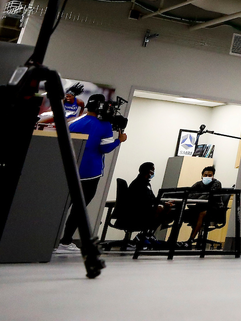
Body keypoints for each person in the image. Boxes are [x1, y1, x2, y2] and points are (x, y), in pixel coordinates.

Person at [54, 93, 126, 253]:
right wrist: (119, 140)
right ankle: (65, 242)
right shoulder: (104, 125)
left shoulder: (74, 122)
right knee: (78, 209)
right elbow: (104, 148)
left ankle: (51, 241)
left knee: (62, 207)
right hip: (90, 173)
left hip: (71, 170)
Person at [126, 162, 176, 244]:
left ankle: (149, 234)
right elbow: (145, 200)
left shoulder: (146, 183)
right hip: (136, 212)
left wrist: (164, 203)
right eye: (153, 170)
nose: (153, 173)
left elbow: (153, 198)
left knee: (166, 208)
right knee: (158, 209)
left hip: (144, 209)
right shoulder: (138, 183)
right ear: (149, 171)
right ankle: (145, 234)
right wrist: (162, 204)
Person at [181, 165, 225, 242]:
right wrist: (198, 196)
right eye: (205, 175)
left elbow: (209, 196)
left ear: (213, 176)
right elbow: (189, 194)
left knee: (201, 214)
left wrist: (197, 196)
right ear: (202, 175)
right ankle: (171, 241)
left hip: (214, 208)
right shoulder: (198, 184)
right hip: (199, 206)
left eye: (210, 175)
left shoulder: (217, 183)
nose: (207, 177)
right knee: (181, 213)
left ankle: (191, 239)